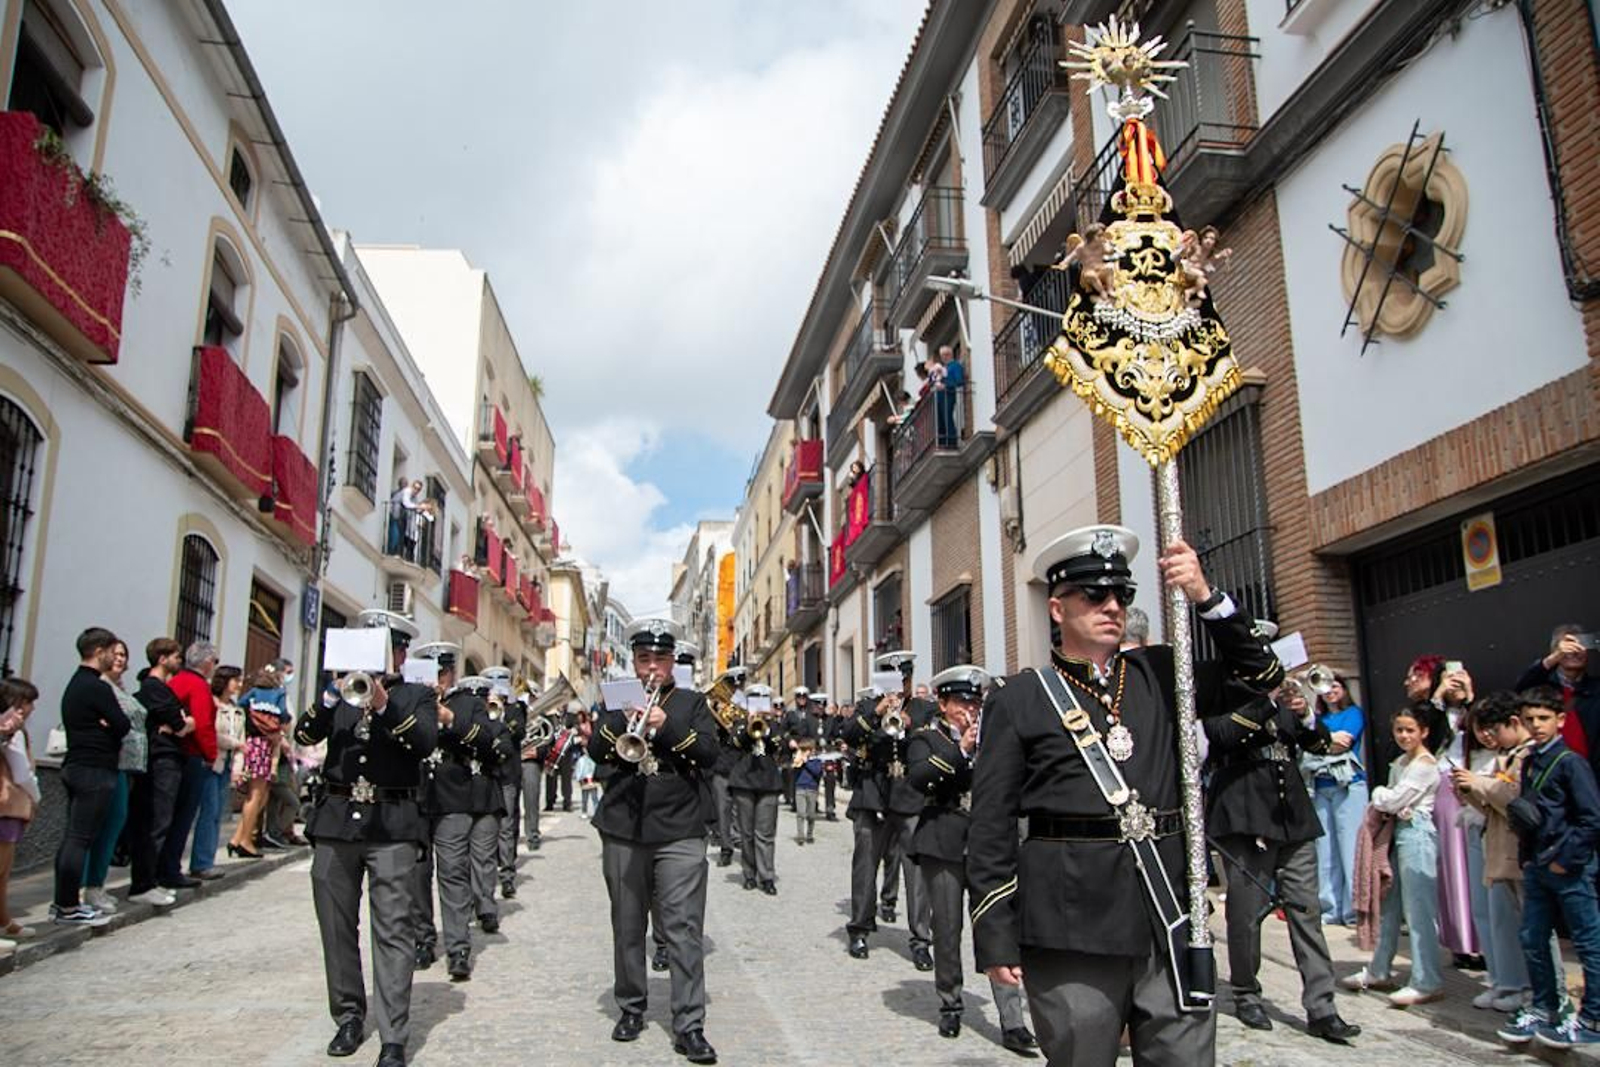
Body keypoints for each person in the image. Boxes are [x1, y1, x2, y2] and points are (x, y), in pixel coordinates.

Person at [968, 525, 1285, 1065]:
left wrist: (1205, 596)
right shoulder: (1020, 699)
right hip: (1071, 928)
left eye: (1121, 594)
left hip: (1169, 914)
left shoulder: (1161, 673)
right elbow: (991, 824)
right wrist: (995, 932)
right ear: (1057, 608)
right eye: (1094, 595)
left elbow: (1261, 675)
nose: (1112, 606)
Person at [588, 618, 721, 1064]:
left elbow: (709, 753)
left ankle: (690, 1024)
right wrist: (622, 717)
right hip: (624, 823)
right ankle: (631, 1007)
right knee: (627, 923)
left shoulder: (691, 703)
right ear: (634, 661)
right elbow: (597, 749)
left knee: (683, 927)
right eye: (644, 658)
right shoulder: (618, 696)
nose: (651, 667)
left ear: (672, 662)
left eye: (659, 659)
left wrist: (665, 727)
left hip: (680, 823)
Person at [1205, 668, 1360, 1042]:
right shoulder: (1222, 691)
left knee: (1307, 910)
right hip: (1244, 812)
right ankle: (1246, 993)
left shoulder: (1285, 698)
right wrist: (1269, 701)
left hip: (1292, 814)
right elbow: (1222, 734)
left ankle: (1322, 1007)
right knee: (1246, 913)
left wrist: (1305, 713)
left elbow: (1319, 744)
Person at [297, 665, 440, 1067]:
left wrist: (382, 705)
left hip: (392, 821)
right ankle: (348, 1016)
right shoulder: (339, 693)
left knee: (393, 928)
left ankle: (393, 1035)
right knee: (335, 925)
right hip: (336, 819)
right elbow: (304, 735)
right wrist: (329, 698)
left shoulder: (415, 695)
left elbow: (424, 742)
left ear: (398, 653)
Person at [905, 665, 1037, 1052]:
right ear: (943, 704)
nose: (970, 710)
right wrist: (962, 748)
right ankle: (950, 1003)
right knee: (947, 928)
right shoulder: (925, 738)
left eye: (975, 703)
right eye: (962, 703)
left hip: (988, 844)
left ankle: (1013, 1020)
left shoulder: (995, 736)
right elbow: (919, 778)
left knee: (1000, 928)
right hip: (944, 841)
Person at [1497, 685, 1600, 1049]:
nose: (1537, 725)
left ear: (1560, 720)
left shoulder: (1571, 762)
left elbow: (1591, 819)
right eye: (1530, 719)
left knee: (1588, 942)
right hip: (1538, 865)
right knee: (1533, 937)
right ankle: (1545, 1009)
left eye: (1543, 718)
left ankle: (1592, 1018)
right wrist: (1527, 857)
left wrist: (1564, 860)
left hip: (1569, 869)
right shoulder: (1531, 760)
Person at [1340, 701, 1449, 1005]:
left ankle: (1427, 980)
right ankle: (1379, 969)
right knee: (1389, 906)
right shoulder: (1400, 762)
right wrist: (1386, 799)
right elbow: (1392, 801)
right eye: (1399, 730)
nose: (1403, 735)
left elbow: (1392, 799)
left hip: (1417, 834)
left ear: (1423, 732)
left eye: (1410, 730)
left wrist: (1379, 795)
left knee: (1419, 911)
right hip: (1396, 832)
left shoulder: (1425, 765)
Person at [839, 653, 936, 964]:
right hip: (873, 792)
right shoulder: (868, 706)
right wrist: (878, 711)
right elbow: (849, 734)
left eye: (904, 681)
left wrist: (912, 725)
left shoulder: (922, 708)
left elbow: (937, 739)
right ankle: (859, 929)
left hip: (910, 794)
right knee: (865, 864)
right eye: (893, 682)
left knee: (916, 869)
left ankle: (921, 939)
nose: (899, 688)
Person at [414, 661, 499, 980]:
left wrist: (449, 719)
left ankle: (458, 948)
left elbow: (486, 739)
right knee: (417, 874)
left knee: (452, 872)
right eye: (429, 675)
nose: (435, 681)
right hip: (415, 794)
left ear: (449, 675)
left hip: (452, 796)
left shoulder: (467, 704)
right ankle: (422, 939)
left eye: (440, 674)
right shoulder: (407, 698)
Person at [1453, 691, 1537, 1012]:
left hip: (1518, 852)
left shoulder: (1527, 755)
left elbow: (1515, 801)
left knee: (1521, 923)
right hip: (1497, 845)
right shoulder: (1508, 755)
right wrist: (1469, 791)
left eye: (1493, 729)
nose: (1489, 737)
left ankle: (1526, 989)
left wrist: (1481, 784)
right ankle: (1505, 982)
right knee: (1493, 916)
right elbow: (1491, 809)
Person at [52, 627, 128, 926]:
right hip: (94, 769)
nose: (114, 656)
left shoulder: (76, 683)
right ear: (98, 651)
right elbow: (122, 724)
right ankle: (68, 906)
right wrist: (108, 725)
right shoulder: (96, 686)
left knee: (74, 836)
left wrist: (106, 723)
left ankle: (63, 902)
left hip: (77, 765)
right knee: (80, 838)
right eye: (111, 651)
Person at [82, 641, 148, 913]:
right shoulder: (99, 687)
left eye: (124, 654)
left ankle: (96, 884)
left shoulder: (119, 688)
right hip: (105, 763)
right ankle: (87, 886)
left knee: (114, 823)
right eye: (116, 654)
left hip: (124, 766)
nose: (120, 659)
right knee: (96, 826)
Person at [1302, 672, 1367, 926]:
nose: (1330, 690)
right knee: (1325, 851)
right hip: (1320, 785)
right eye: (1326, 687)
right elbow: (1311, 745)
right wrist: (1330, 740)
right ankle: (1329, 909)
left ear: (1345, 689)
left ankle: (1354, 912)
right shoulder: (1318, 719)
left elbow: (1344, 743)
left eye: (1335, 685)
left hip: (1348, 785)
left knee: (1350, 849)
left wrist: (1322, 742)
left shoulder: (1353, 713)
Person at [130, 638, 187, 907]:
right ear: (162, 659)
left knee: (159, 821)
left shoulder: (162, 689)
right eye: (176, 656)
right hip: (161, 759)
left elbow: (181, 722)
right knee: (156, 822)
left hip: (166, 758)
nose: (179, 661)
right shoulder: (154, 689)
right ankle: (143, 883)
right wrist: (182, 722)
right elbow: (181, 724)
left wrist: (182, 722)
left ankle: (150, 880)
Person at [160, 641, 218, 891]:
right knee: (183, 816)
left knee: (168, 815)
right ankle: (170, 869)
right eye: (214, 661)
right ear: (207, 662)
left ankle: (162, 867)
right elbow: (203, 724)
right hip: (191, 755)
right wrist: (211, 754)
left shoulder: (176, 681)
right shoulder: (198, 685)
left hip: (172, 754)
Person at [1514, 625, 1597, 768]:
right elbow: (1520, 688)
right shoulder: (1543, 687)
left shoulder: (1595, 688)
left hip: (1591, 768)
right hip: (1552, 769)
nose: (1574, 651)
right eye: (1568, 646)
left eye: (1580, 645)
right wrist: (1553, 659)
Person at [728, 684, 783, 895]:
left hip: (768, 782)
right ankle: (749, 874)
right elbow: (734, 743)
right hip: (744, 781)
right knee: (746, 833)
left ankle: (766, 876)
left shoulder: (773, 724)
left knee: (766, 833)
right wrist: (748, 725)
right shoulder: (740, 723)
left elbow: (778, 746)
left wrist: (766, 728)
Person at [188, 664, 242, 880]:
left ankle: (207, 860)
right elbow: (210, 732)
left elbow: (242, 741)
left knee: (217, 813)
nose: (239, 684)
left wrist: (238, 768)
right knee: (208, 812)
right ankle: (201, 862)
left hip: (227, 764)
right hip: (211, 761)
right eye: (235, 680)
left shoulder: (237, 710)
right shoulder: (213, 704)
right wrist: (234, 743)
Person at [229, 665, 288, 859]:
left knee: (258, 795)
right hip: (265, 744)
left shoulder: (253, 692)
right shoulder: (279, 693)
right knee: (257, 795)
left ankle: (237, 838)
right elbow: (284, 714)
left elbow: (240, 705)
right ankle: (246, 841)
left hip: (250, 742)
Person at [0, 678, 41, 943]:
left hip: (9, 805)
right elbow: (22, 772)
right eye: (28, 702)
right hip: (8, 804)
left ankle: (4, 920)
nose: (31, 709)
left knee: (4, 873)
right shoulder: (12, 731)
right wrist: (36, 797)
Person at [494, 691, 528, 899]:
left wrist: (501, 716)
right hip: (488, 775)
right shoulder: (479, 707)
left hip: (507, 774)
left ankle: (507, 875)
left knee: (506, 827)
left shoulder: (515, 709)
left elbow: (519, 732)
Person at [793, 739, 822, 845]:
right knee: (800, 813)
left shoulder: (817, 761)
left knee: (811, 815)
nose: (803, 752)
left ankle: (809, 835)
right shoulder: (799, 759)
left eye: (805, 750)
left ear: (812, 750)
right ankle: (800, 836)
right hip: (800, 788)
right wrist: (797, 762)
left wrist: (807, 762)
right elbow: (794, 772)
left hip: (811, 789)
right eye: (802, 750)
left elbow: (817, 772)